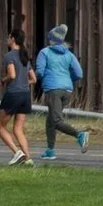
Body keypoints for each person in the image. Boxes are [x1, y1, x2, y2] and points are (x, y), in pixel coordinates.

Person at [33, 25, 87, 160]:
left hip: (53, 90)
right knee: (51, 119)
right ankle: (50, 151)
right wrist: (68, 79)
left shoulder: (44, 52)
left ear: (50, 39)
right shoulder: (69, 54)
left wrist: (34, 77)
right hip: (67, 90)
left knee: (56, 120)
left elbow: (39, 71)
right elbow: (79, 74)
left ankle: (79, 135)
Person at [0, 29, 34, 165]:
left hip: (13, 94)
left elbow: (12, 75)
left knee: (0, 127)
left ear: (13, 39)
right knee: (18, 129)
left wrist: (2, 81)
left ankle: (17, 153)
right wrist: (24, 83)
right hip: (25, 95)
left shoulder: (9, 56)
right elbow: (33, 79)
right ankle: (28, 158)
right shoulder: (25, 56)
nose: (7, 39)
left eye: (8, 37)